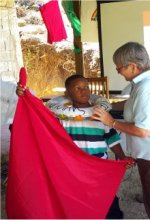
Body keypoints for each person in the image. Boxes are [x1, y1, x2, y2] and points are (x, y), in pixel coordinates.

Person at [16, 74, 135, 219]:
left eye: (86, 87)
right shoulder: (60, 118)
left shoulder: (102, 116)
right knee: (76, 201)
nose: (84, 91)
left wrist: (122, 156)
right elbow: (39, 117)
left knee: (107, 201)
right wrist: (25, 95)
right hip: (72, 168)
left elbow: (112, 138)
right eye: (77, 88)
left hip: (97, 167)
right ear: (67, 93)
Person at [91, 42, 150, 219]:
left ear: (133, 66)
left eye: (119, 67)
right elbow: (132, 106)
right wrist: (107, 106)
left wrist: (110, 122)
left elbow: (142, 131)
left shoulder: (148, 88)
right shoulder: (145, 81)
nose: (118, 71)